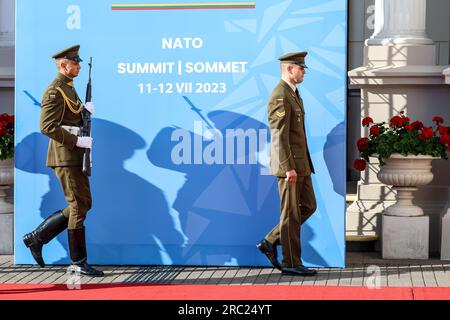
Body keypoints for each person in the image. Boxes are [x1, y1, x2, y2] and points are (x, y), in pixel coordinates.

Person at [22, 45, 103, 277]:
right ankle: (78, 261)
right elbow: (47, 126)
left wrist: (83, 112)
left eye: (78, 62)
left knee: (84, 203)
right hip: (65, 155)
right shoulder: (55, 90)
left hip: (75, 154)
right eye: (74, 62)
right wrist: (76, 142)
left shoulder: (69, 88)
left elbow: (70, 116)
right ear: (63, 65)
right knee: (78, 205)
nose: (78, 65)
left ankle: (37, 238)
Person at [256, 52, 318, 276]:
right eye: (301, 68)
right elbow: (279, 135)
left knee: (309, 206)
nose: (304, 71)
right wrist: (287, 166)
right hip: (290, 166)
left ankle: (270, 240)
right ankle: (291, 262)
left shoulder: (294, 93)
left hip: (301, 165)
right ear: (289, 68)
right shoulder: (280, 95)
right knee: (290, 214)